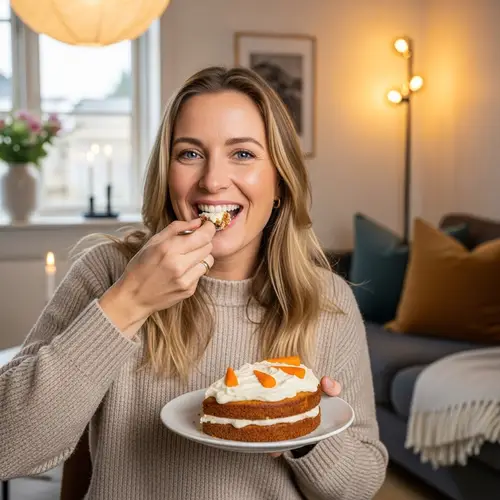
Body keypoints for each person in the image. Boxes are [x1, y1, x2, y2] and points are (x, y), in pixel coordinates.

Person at [0, 66, 388, 499]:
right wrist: (129, 301)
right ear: (167, 177)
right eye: (190, 154)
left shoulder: (327, 301)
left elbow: (361, 484)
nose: (212, 180)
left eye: (242, 154)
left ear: (278, 181)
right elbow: (8, 449)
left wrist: (305, 427)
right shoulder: (107, 271)